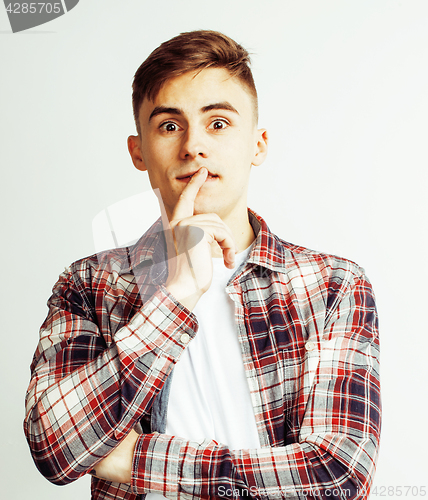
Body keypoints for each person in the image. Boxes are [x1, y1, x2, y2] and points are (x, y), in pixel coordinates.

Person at [24, 30, 381, 500]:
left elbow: (338, 476)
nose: (193, 147)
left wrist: (136, 461)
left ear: (258, 144)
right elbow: (55, 449)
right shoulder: (89, 283)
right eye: (170, 126)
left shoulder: (332, 284)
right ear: (138, 152)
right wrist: (176, 296)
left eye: (218, 123)